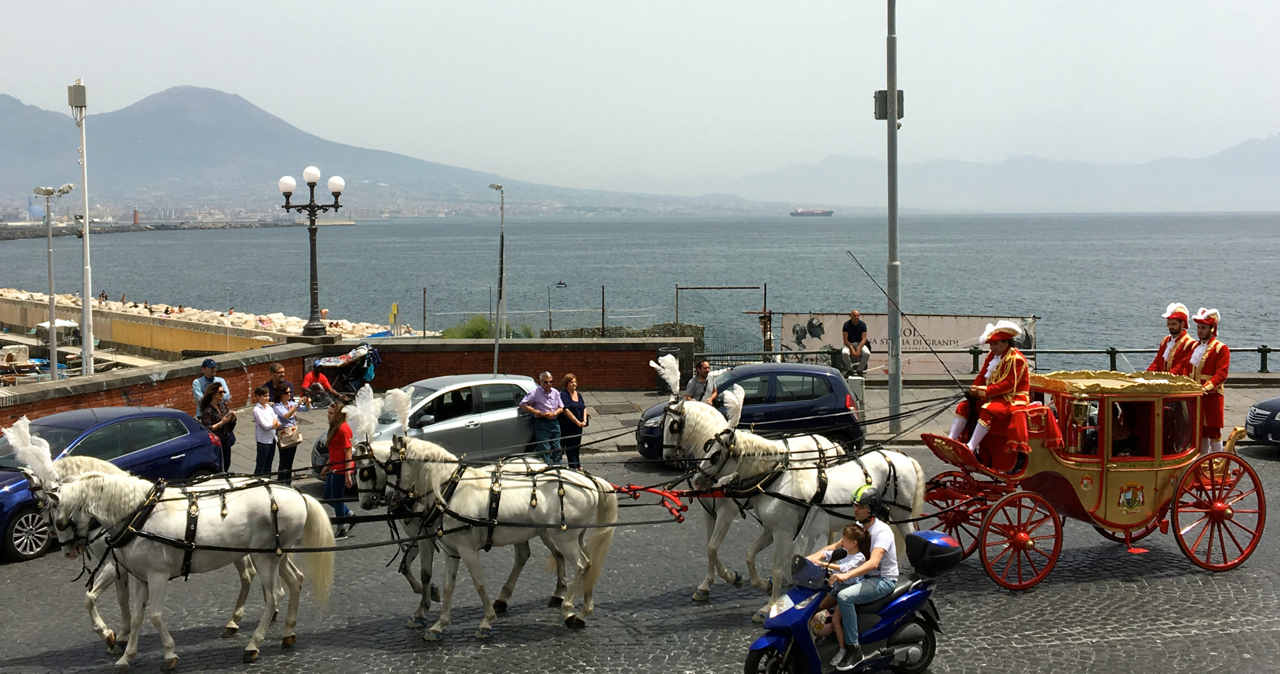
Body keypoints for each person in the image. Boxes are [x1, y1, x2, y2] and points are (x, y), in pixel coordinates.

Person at [947, 320, 1031, 473]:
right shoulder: (992, 356)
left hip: (1014, 398)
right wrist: (974, 389)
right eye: (991, 344)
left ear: (1006, 343)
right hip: (995, 396)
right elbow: (982, 376)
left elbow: (1008, 385)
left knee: (988, 409)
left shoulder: (1017, 360)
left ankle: (971, 446)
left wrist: (982, 391)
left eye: (995, 344)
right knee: (963, 407)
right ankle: (951, 440)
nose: (992, 347)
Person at [832, 487, 898, 671]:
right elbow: (837, 546)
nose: (855, 510)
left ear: (871, 509)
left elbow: (874, 563)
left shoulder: (882, 532)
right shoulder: (859, 527)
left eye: (860, 507)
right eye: (855, 506)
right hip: (864, 576)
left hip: (882, 579)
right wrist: (813, 558)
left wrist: (846, 574)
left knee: (844, 597)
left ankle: (854, 649)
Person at [807, 523, 870, 667]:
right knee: (815, 608)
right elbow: (828, 554)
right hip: (837, 588)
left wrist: (823, 564)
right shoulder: (844, 551)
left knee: (836, 620)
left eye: (844, 538)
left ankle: (843, 649)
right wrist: (813, 558)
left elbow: (844, 568)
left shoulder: (859, 557)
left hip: (848, 590)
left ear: (853, 543)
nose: (841, 540)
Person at [1190, 308, 1230, 453]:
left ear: (1212, 329)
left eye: (1203, 328)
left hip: (1212, 396)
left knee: (1213, 431)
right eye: (1198, 327)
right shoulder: (1195, 346)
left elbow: (1221, 374)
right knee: (1200, 430)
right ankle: (1203, 460)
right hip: (1196, 395)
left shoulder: (1221, 348)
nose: (1200, 331)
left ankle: (1217, 459)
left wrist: (1206, 387)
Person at [321, 402, 355, 539]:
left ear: (338, 415)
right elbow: (335, 452)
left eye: (331, 413)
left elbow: (348, 453)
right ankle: (349, 515)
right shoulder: (334, 427)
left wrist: (347, 475)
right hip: (334, 467)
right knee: (327, 497)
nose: (328, 415)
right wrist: (326, 467)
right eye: (328, 413)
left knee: (337, 498)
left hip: (341, 469)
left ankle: (341, 529)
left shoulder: (343, 429)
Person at [520, 371, 564, 464]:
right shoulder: (535, 393)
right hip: (542, 422)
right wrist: (534, 411)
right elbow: (523, 404)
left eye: (551, 382)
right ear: (541, 382)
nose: (549, 384)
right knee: (544, 447)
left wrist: (554, 413)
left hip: (554, 421)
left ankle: (558, 465)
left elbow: (561, 408)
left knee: (557, 446)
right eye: (546, 382)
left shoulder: (555, 392)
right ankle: (546, 466)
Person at [1148, 303, 1196, 375]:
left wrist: (1165, 378)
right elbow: (1157, 362)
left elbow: (1181, 366)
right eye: (1169, 324)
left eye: (1174, 324)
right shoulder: (1165, 340)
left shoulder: (1190, 343)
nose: (1170, 327)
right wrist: (1146, 374)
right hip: (1163, 379)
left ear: (1182, 324)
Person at [199, 381, 237, 471]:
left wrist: (232, 418)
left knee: (227, 462)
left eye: (223, 392)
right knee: (219, 464)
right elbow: (208, 428)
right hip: (217, 441)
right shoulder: (208, 410)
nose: (222, 394)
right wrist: (221, 422)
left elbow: (229, 421)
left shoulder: (222, 404)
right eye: (220, 392)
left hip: (226, 438)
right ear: (213, 394)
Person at [559, 373, 589, 469]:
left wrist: (584, 420)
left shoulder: (578, 394)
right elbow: (566, 410)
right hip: (569, 426)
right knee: (570, 447)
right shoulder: (564, 395)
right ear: (566, 384)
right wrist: (577, 421)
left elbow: (584, 407)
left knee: (576, 446)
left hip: (579, 426)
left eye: (575, 382)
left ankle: (578, 465)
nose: (574, 384)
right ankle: (573, 467)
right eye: (571, 382)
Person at [273, 387, 300, 485]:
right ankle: (281, 481)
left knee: (290, 460)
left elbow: (306, 409)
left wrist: (307, 402)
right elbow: (286, 415)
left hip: (292, 433)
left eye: (290, 392)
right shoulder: (277, 406)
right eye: (286, 392)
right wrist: (296, 406)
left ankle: (288, 482)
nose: (289, 394)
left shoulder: (291, 404)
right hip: (284, 434)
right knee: (284, 460)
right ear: (281, 394)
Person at [251, 385, 280, 476]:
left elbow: (277, 419)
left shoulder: (269, 407)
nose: (267, 398)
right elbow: (266, 426)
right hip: (263, 441)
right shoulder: (257, 410)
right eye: (264, 396)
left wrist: (274, 423)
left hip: (272, 439)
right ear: (258, 397)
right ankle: (257, 481)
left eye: (268, 395)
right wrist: (273, 424)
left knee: (269, 465)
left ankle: (267, 480)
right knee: (261, 465)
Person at [842, 310, 871, 376]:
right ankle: (850, 369)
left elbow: (864, 339)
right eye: (854, 316)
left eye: (857, 316)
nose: (856, 317)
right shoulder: (846, 325)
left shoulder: (863, 325)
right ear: (851, 316)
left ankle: (859, 369)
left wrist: (858, 349)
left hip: (859, 343)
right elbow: (845, 340)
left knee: (867, 353)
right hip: (849, 343)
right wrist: (852, 349)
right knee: (844, 353)